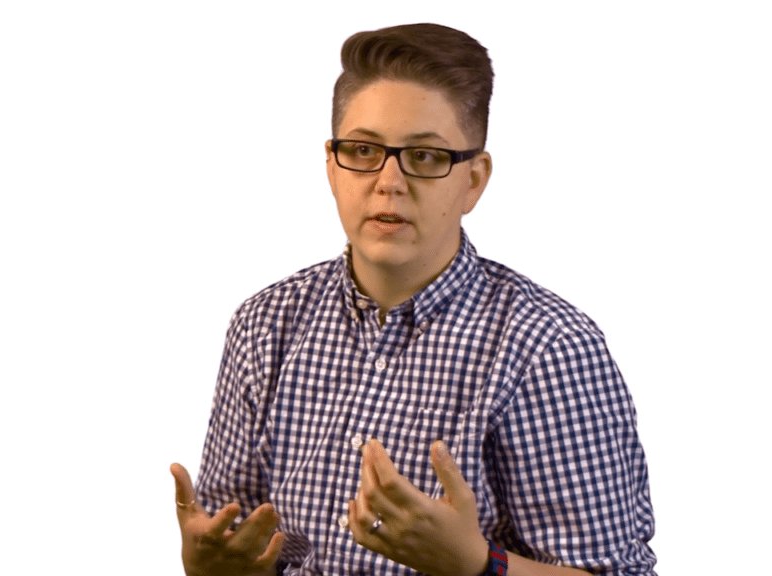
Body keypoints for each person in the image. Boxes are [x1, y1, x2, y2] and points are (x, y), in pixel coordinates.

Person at [170, 23, 656, 576]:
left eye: (424, 156)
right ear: (331, 165)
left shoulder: (548, 348)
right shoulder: (263, 325)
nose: (389, 181)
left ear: (473, 180)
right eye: (363, 150)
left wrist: (479, 564)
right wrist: (210, 564)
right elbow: (234, 545)